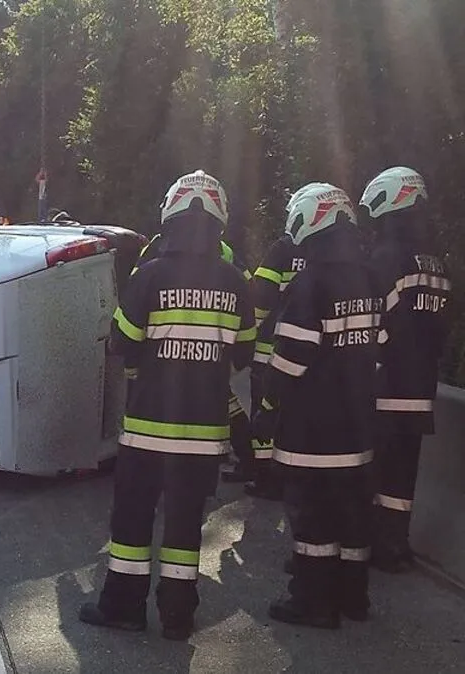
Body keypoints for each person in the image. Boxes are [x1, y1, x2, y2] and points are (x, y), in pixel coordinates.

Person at [78, 170, 255, 640]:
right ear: (220, 220)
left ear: (169, 216)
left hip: (148, 430)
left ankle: (123, 606)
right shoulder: (236, 282)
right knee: (184, 526)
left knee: (132, 520)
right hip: (205, 434)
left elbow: (121, 342)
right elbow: (244, 353)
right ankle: (178, 615)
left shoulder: (150, 275)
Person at [262, 183, 381, 629]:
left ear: (310, 219)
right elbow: (380, 346)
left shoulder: (310, 282)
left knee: (311, 517)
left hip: (312, 430)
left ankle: (313, 602)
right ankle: (353, 597)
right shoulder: (369, 277)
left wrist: (268, 403)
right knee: (352, 514)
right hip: (358, 426)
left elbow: (291, 359)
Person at [360, 167, 452, 573]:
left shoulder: (386, 258)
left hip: (384, 385)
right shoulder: (436, 264)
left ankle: (360, 544)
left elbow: (374, 323)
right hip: (421, 386)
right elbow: (442, 327)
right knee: (401, 475)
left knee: (370, 469)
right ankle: (395, 545)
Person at [132, 227, 255, 491]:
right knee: (225, 403)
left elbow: (135, 291)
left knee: (158, 408)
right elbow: (247, 285)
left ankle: (161, 467)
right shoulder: (223, 249)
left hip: (168, 343)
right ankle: (245, 458)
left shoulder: (156, 247)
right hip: (212, 347)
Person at [241, 185, 324, 500]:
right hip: (310, 354)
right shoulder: (323, 255)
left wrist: (246, 334)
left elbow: (261, 299)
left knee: (264, 411)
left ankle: (265, 477)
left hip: (270, 351)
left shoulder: (281, 250)